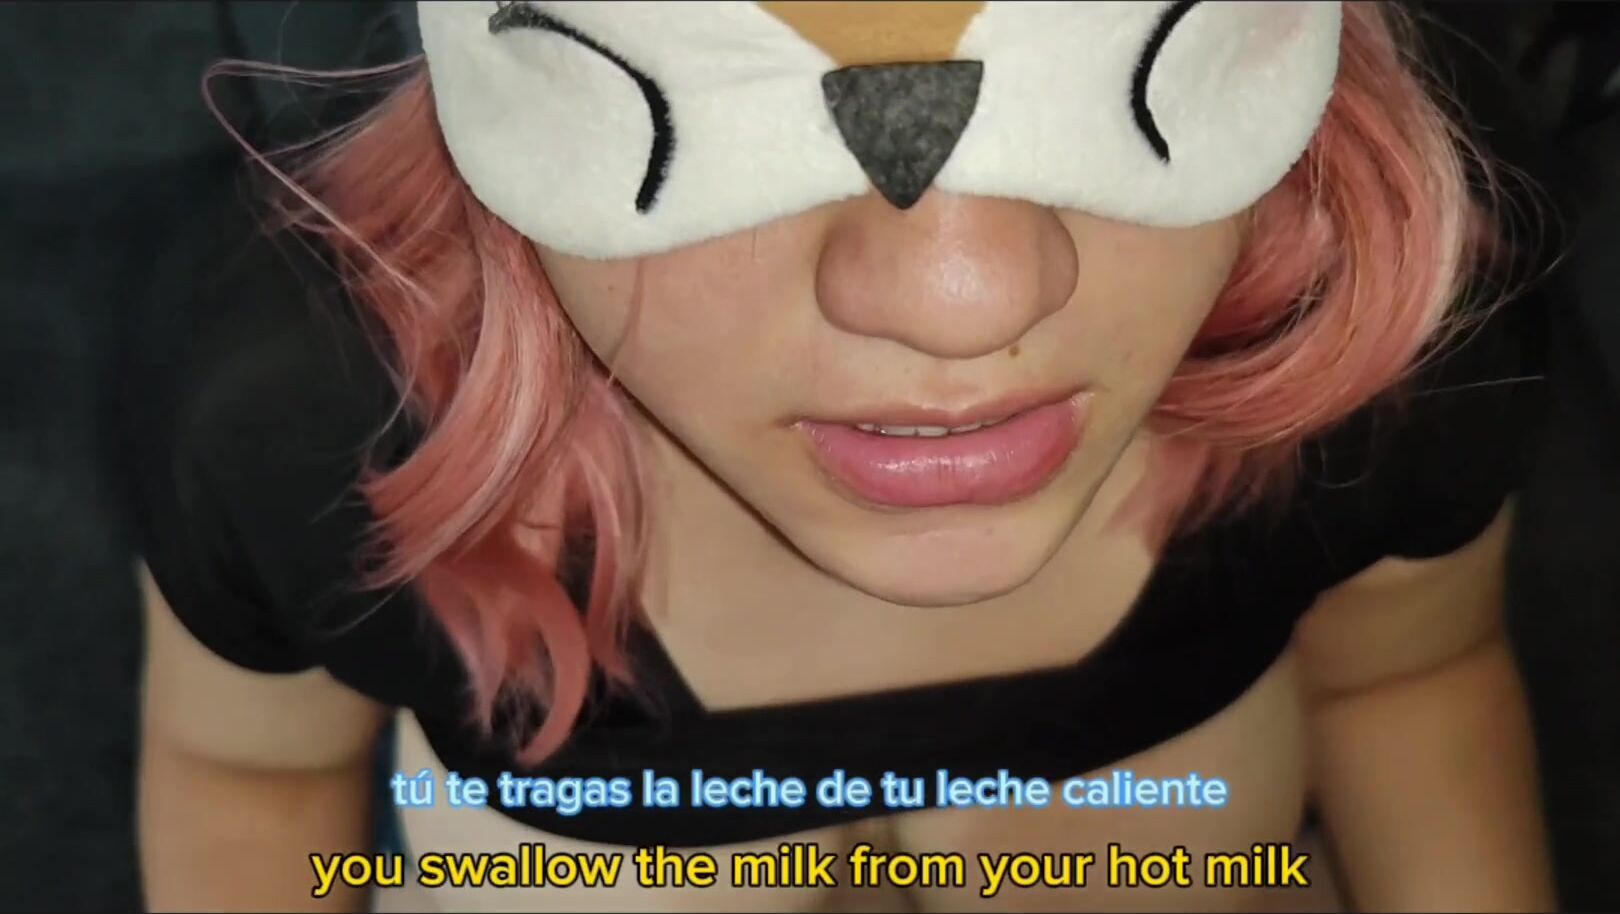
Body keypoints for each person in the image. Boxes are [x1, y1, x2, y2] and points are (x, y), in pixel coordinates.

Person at [125, 2, 1556, 911]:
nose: (963, 297)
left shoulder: (1397, 319)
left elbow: (1407, 675)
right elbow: (248, 782)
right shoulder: (305, 416)